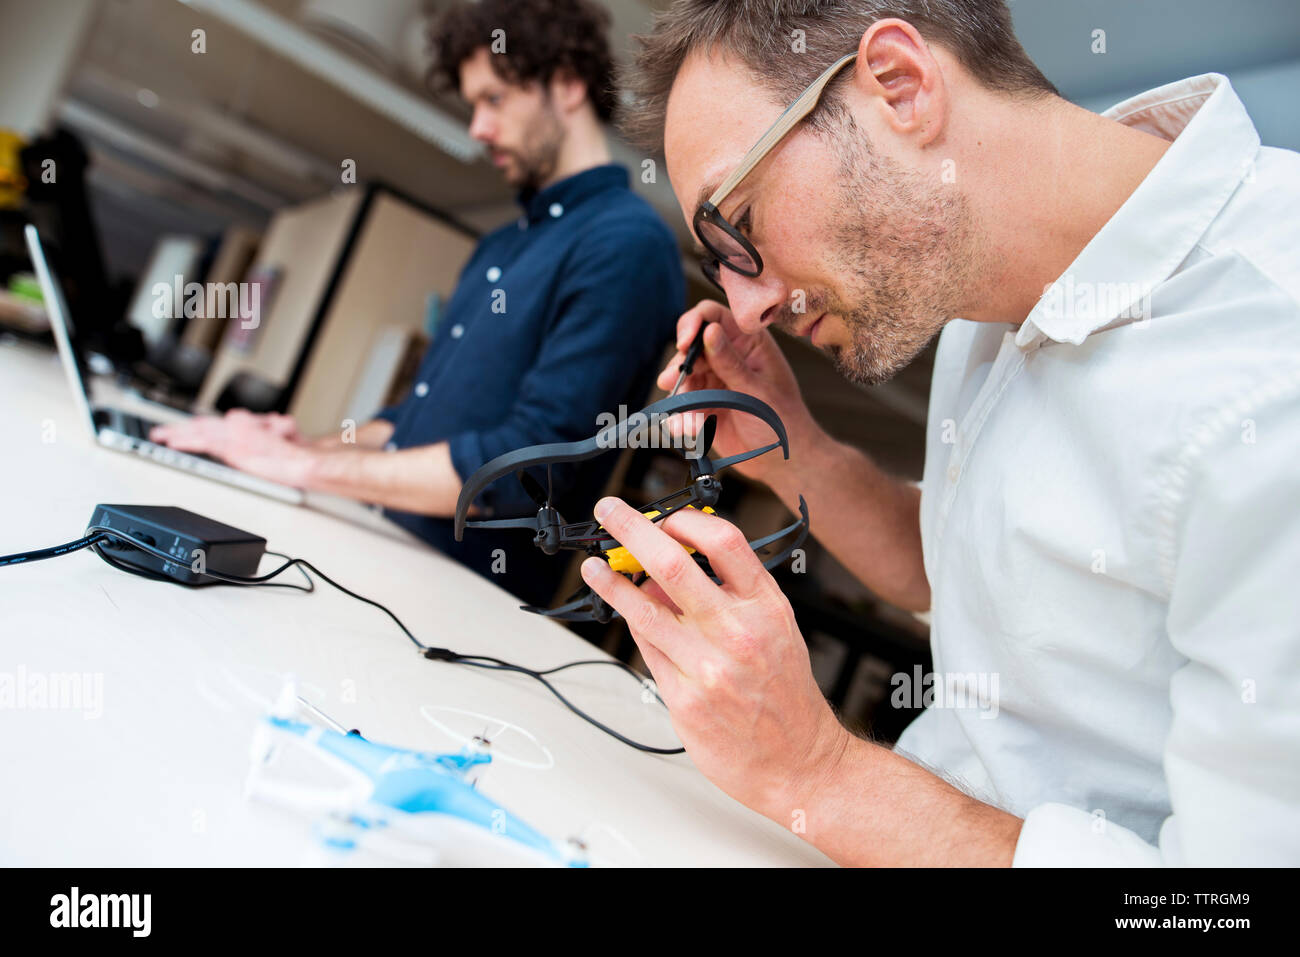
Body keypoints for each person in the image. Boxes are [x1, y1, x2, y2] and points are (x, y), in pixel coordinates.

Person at [578, 0, 1300, 865]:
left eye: (740, 229)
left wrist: (818, 772)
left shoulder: (1269, 369)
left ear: (899, 84)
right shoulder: (979, 297)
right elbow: (960, 569)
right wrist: (790, 447)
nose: (748, 306)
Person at [150, 0, 684, 607]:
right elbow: (414, 424)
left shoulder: (626, 244)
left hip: (462, 607)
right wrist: (294, 447)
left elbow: (527, 470)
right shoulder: (499, 246)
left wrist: (301, 471)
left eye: (493, 99)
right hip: (382, 564)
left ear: (565, 84)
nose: (478, 128)